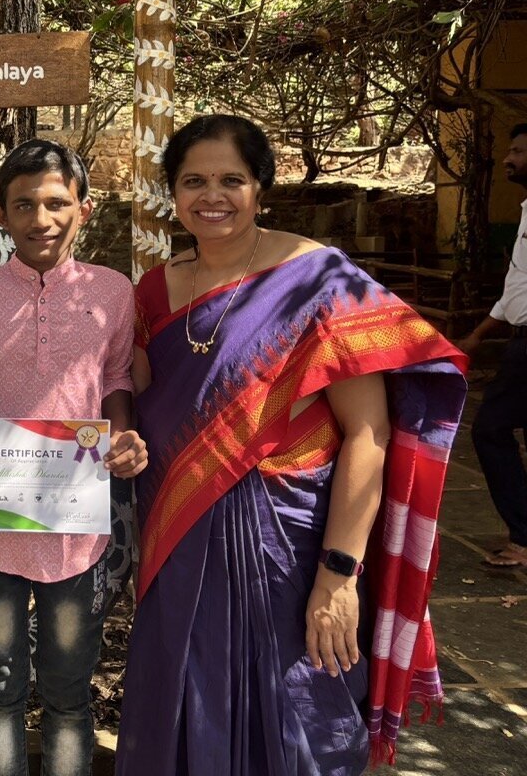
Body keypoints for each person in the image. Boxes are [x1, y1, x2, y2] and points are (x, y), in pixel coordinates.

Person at [115, 115, 467, 775]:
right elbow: (135, 403)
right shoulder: (155, 289)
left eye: (231, 180)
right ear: (173, 191)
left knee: (300, 705)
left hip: (287, 544)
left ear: (261, 188)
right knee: (183, 697)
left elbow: (368, 433)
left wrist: (338, 576)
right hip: (178, 531)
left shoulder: (319, 280)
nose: (211, 196)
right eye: (193, 181)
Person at [0, 139, 149, 776]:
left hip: (75, 525)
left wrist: (123, 436)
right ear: (0, 214)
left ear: (84, 208)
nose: (41, 218)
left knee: (69, 691)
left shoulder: (112, 291)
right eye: (24, 205)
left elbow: (116, 379)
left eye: (56, 203)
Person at [456, 122, 527, 569]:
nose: (507, 158)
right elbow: (515, 289)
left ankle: (523, 537)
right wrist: (478, 335)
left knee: (489, 430)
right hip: (520, 343)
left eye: (518, 150)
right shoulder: (526, 211)